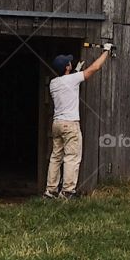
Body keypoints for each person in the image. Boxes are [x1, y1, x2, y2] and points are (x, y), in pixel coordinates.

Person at [44, 44, 112, 200]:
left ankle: (50, 190)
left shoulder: (54, 83)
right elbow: (94, 68)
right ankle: (67, 191)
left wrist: (75, 71)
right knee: (72, 157)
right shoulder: (72, 79)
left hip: (57, 124)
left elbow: (67, 81)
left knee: (56, 157)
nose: (71, 63)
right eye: (69, 63)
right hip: (70, 124)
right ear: (67, 67)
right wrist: (106, 51)